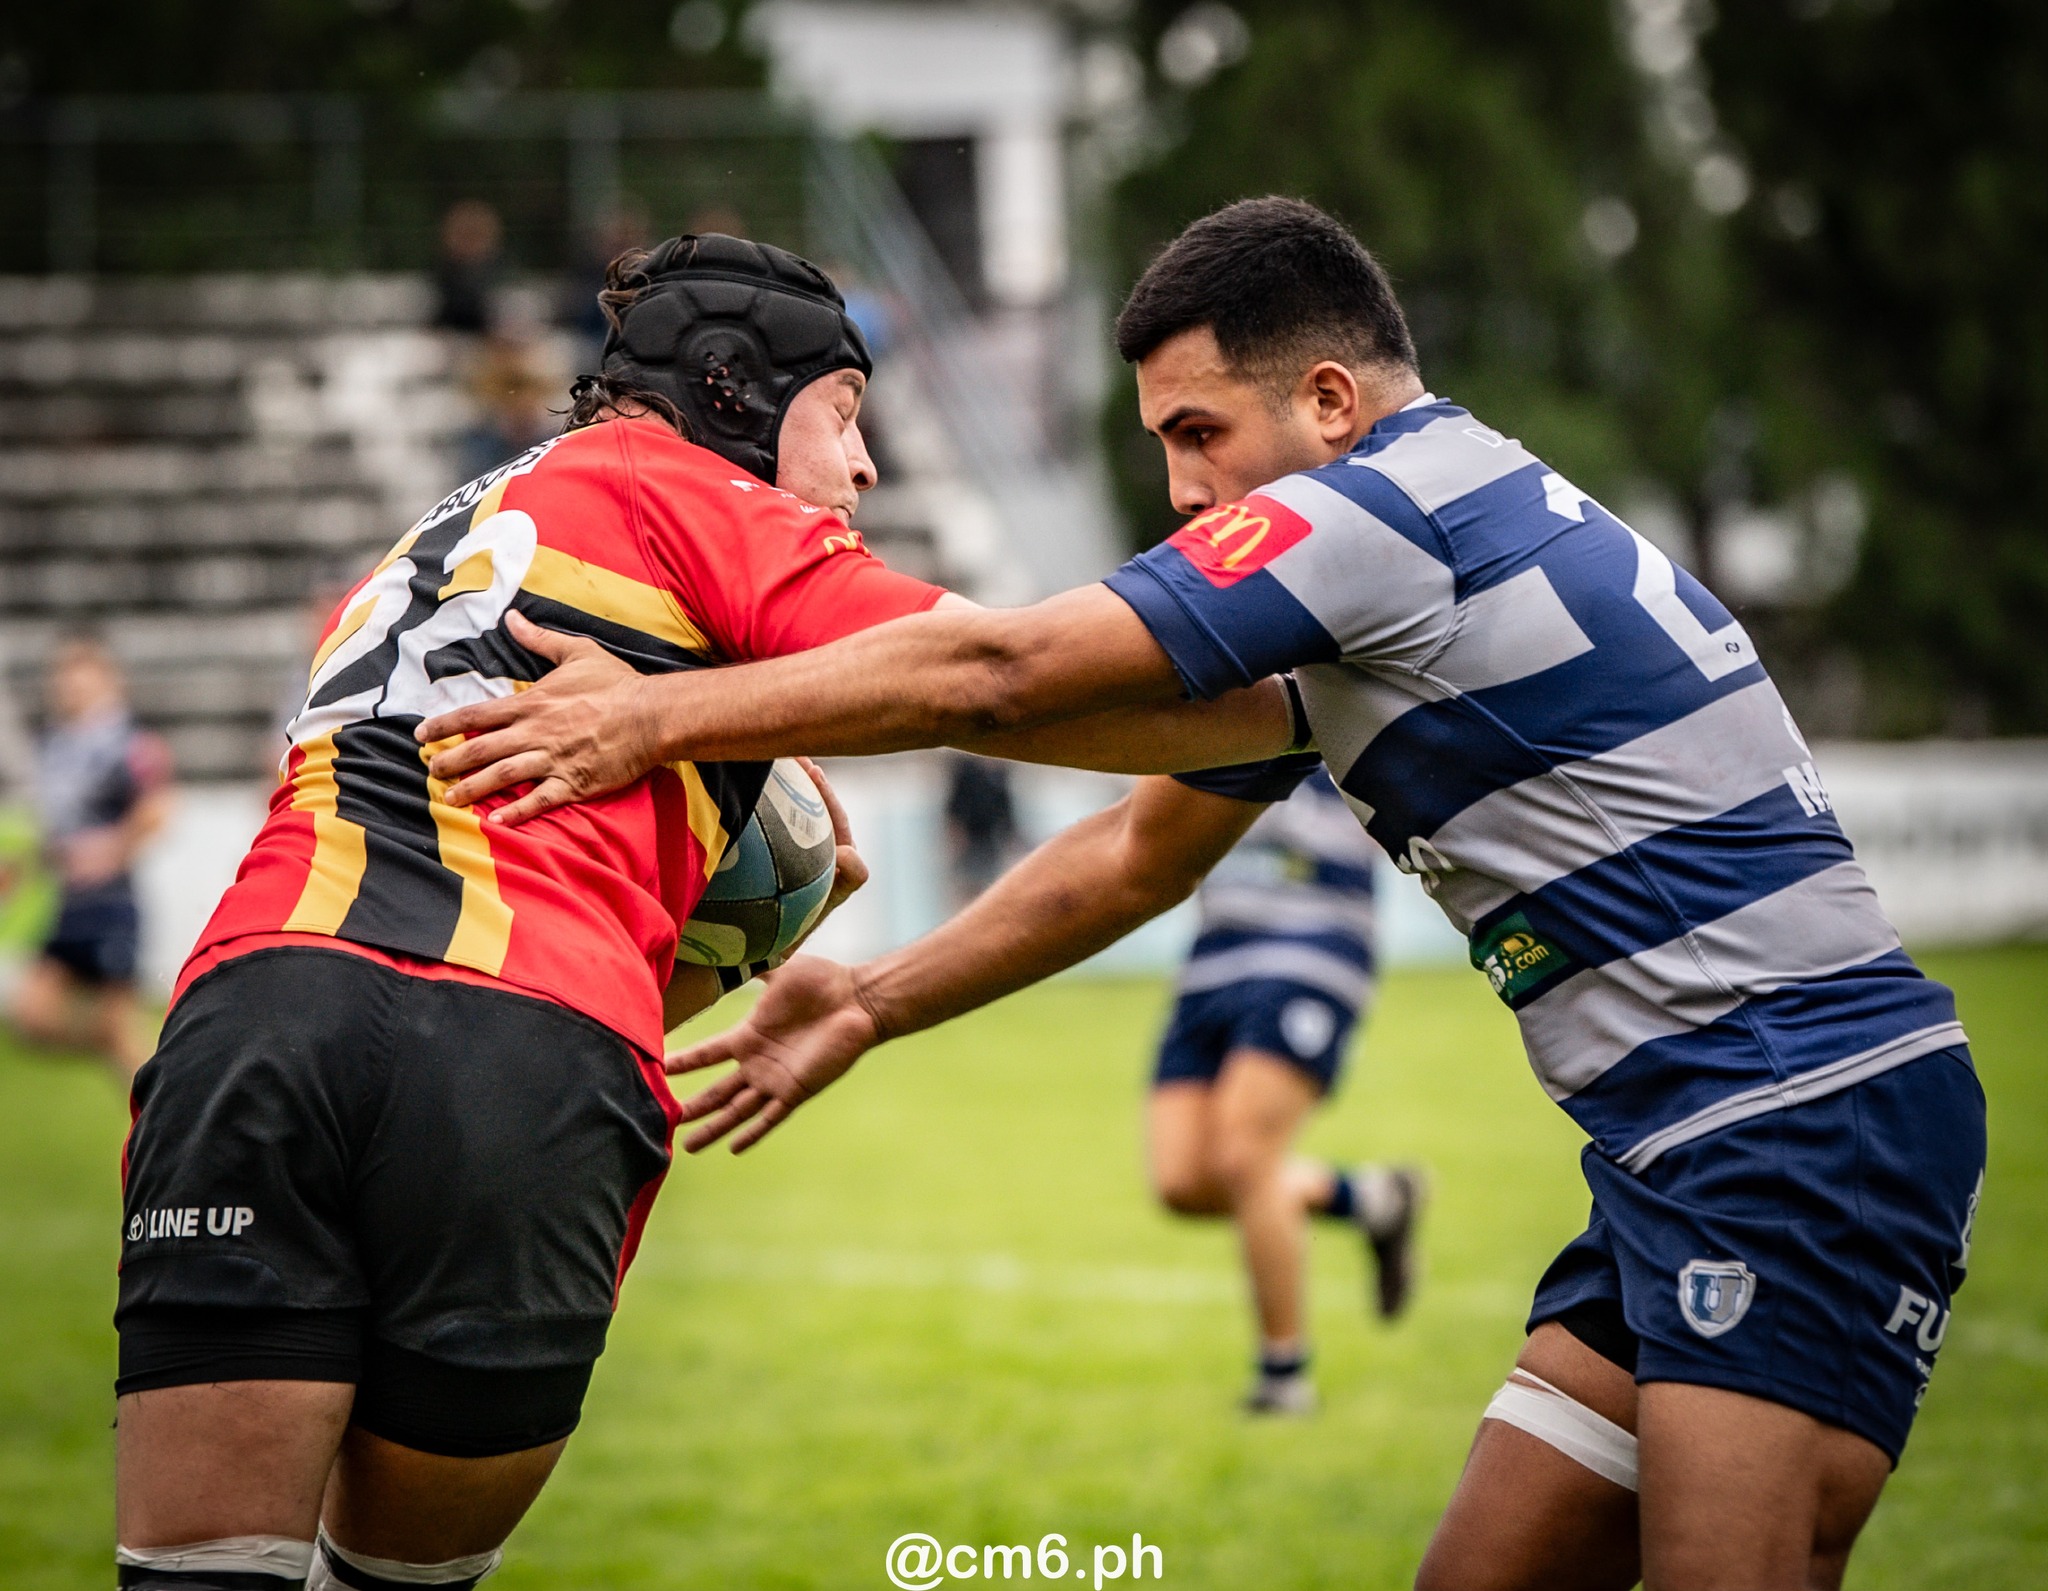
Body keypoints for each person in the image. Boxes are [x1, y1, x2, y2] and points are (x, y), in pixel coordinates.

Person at [421, 199, 1985, 1591]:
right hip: (1687, 1131)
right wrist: (877, 997)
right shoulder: (1412, 568)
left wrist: (651, 712)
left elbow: (1005, 663)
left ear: (1327, 398)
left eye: (1196, 434)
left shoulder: (1385, 515)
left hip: (1789, 1106)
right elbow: (1133, 849)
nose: (1180, 492)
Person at [111, 234, 1273, 1591]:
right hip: (517, 1053)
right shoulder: (685, 486)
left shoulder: (442, 538)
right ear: (735, 394)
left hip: (250, 1015)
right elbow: (989, 674)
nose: (865, 466)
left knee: (197, 1582)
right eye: (845, 415)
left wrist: (713, 886)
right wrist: (1301, 704)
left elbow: (443, 905)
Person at [1151, 764, 1422, 1415]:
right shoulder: (1181, 684)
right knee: (1184, 1182)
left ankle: (1283, 1377)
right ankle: (1374, 1199)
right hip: (1215, 945)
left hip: (1314, 935)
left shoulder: (1326, 666)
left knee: (1246, 1156)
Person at [6, 634, 172, 1082]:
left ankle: (161, 1118)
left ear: (107, 682)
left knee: (124, 1032)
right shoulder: (54, 745)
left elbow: (159, 808)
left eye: (81, 679)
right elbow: (52, 829)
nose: (70, 688)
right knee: (33, 1017)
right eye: (64, 679)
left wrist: (114, 848)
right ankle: (107, 1041)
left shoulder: (128, 740)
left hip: (110, 901)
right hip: (66, 901)